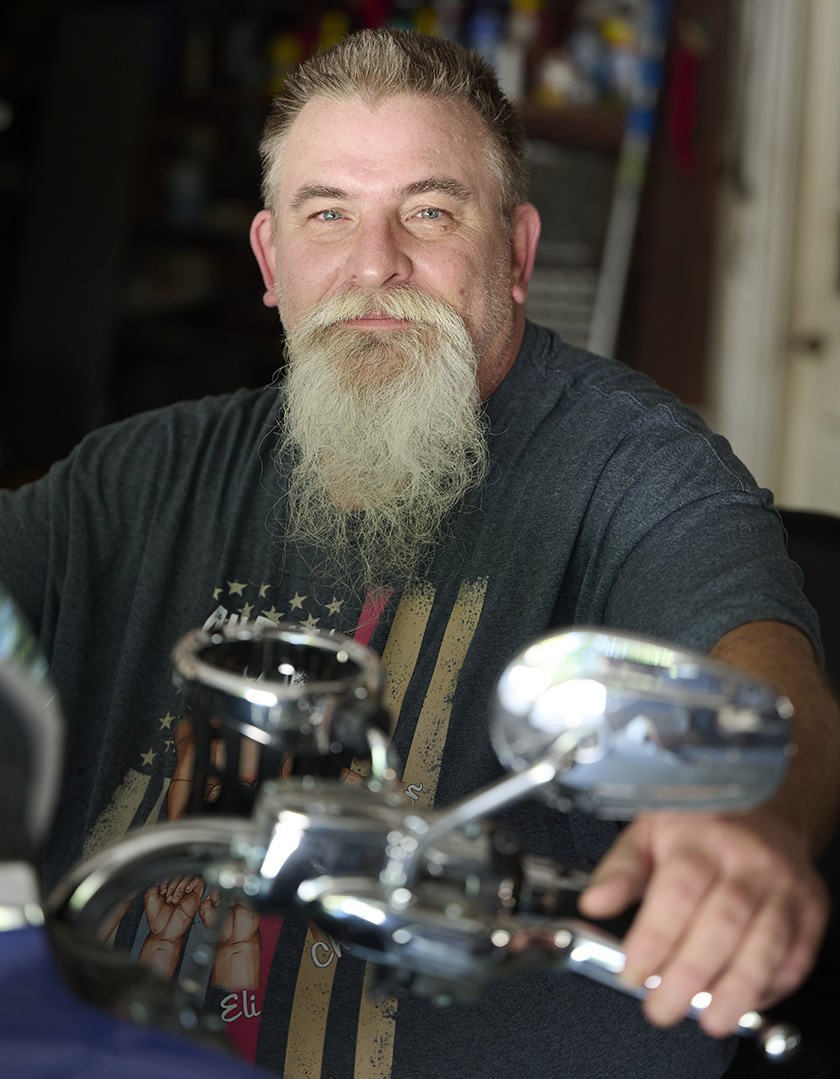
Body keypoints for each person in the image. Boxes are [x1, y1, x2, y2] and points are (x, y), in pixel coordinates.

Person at [0, 26, 838, 1079]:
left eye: (430, 212)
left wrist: (746, 820)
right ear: (271, 260)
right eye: (328, 215)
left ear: (519, 254)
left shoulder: (634, 468)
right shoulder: (131, 480)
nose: (374, 264)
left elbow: (765, 670)